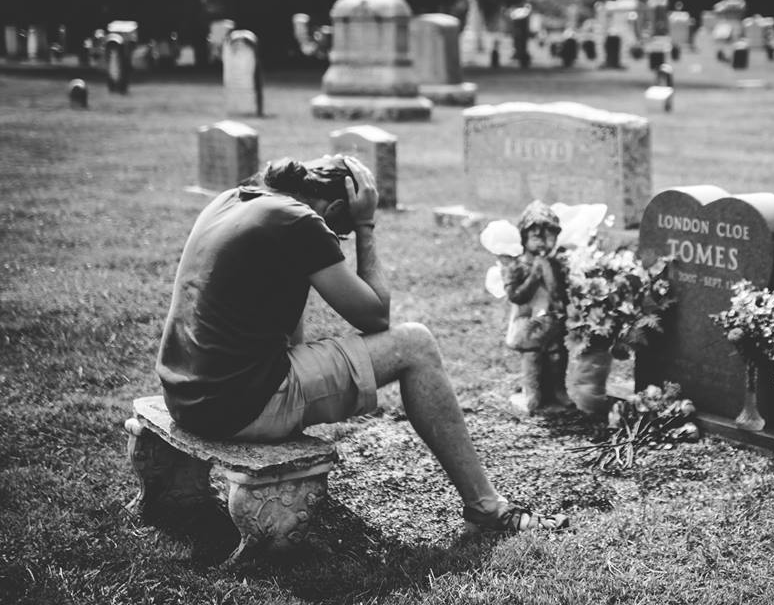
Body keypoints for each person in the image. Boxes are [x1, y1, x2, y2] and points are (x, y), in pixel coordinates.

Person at [156, 155, 569, 533]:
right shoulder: (299, 221)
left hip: (185, 395)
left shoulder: (234, 198)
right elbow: (375, 316)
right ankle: (486, 508)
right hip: (237, 406)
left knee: (347, 353)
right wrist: (366, 227)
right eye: (341, 233)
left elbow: (288, 334)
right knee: (415, 345)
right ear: (336, 208)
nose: (338, 239)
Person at [501, 201, 572, 414]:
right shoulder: (516, 266)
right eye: (536, 237)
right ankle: (533, 393)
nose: (543, 243)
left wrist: (549, 271)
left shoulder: (556, 265)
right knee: (533, 357)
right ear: (524, 238)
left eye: (549, 237)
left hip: (552, 320)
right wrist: (535, 275)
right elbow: (516, 296)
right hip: (528, 321)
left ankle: (558, 391)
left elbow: (560, 293)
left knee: (557, 356)